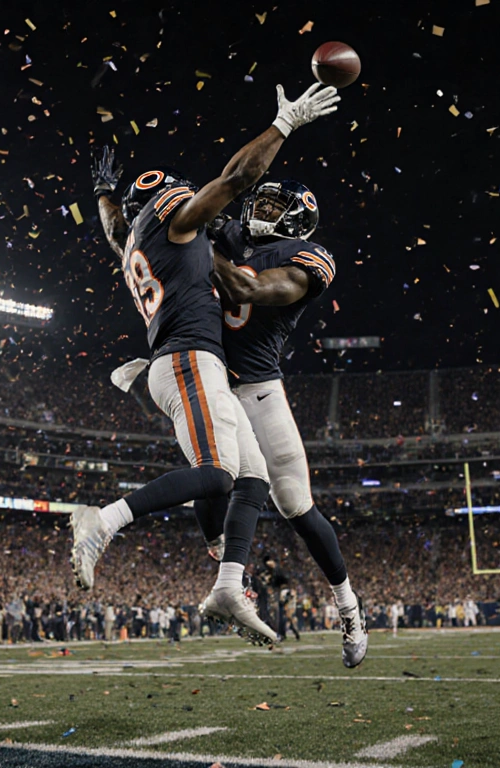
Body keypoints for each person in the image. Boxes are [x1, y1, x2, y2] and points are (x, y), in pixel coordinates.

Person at [75, 81, 340, 646]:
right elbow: (238, 179)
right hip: (190, 357)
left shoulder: (134, 241)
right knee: (218, 474)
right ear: (171, 202)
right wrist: (285, 125)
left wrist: (103, 191)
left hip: (184, 359)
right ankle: (105, 520)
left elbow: (115, 231)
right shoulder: (176, 222)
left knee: (254, 477)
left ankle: (228, 586)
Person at [206, 178, 367, 666]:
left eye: (276, 205)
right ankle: (229, 574)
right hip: (212, 380)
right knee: (217, 476)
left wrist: (193, 244)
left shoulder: (306, 258)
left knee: (295, 503)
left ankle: (350, 608)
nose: (260, 209)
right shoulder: (231, 235)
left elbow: (246, 286)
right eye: (262, 200)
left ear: (298, 218)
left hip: (259, 387)